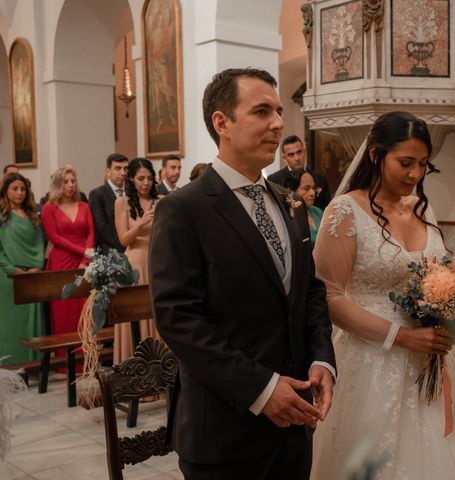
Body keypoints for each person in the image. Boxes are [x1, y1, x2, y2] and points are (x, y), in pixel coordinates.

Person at [311, 111, 455, 480]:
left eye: (423, 164)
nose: (415, 174)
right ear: (375, 155)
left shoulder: (423, 209)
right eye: (405, 163)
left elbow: (442, 270)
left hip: (435, 358)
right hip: (371, 358)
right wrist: (402, 336)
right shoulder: (345, 211)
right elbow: (328, 296)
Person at [149, 67, 336, 480]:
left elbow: (310, 293)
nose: (279, 123)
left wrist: (323, 359)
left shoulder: (291, 203)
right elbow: (179, 319)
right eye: (262, 111)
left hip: (294, 427)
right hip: (224, 430)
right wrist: (263, 389)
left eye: (280, 111)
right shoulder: (183, 210)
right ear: (222, 123)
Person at [114, 158, 162, 363]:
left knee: (157, 314)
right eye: (141, 178)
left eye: (150, 178)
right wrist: (140, 224)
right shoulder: (122, 202)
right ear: (131, 179)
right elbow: (123, 239)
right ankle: (135, 373)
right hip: (134, 262)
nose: (146, 183)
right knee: (135, 318)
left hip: (157, 261)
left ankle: (162, 373)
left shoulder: (161, 200)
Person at [41, 167, 95, 344]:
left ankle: (86, 356)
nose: (71, 185)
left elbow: (91, 234)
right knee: (63, 309)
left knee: (84, 308)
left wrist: (86, 259)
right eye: (66, 182)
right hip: (61, 261)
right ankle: (63, 359)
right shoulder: (49, 208)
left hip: (83, 262)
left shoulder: (84, 206)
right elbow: (54, 237)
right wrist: (83, 252)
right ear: (58, 184)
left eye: (73, 181)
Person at [0, 173, 44, 364]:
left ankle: (33, 364)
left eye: (23, 189)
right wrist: (13, 269)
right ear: (5, 191)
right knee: (10, 323)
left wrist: (36, 267)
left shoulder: (32, 216)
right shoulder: (2, 217)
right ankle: (10, 364)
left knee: (32, 323)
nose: (19, 193)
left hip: (31, 277)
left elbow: (39, 245)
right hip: (8, 276)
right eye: (14, 189)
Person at [267, 135, 331, 209]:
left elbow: (327, 209)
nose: (297, 158)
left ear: (305, 152)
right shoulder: (274, 180)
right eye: (291, 155)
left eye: (299, 152)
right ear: (284, 158)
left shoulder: (320, 178)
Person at [89, 153, 129, 253]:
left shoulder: (131, 192)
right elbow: (102, 227)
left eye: (125, 169)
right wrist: (123, 245)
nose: (123, 173)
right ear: (108, 171)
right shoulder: (97, 194)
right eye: (118, 168)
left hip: (131, 247)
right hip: (109, 250)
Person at [283, 168, 323, 247]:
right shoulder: (287, 216)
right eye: (306, 188)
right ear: (290, 190)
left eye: (313, 188)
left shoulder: (318, 212)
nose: (312, 193)